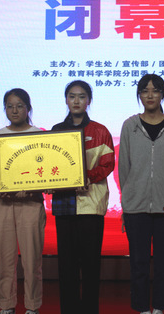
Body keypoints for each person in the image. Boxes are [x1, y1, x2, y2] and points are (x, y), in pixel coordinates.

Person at [118, 74, 164, 314]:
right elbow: (123, 168)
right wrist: (129, 197)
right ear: (139, 95)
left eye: (155, 90)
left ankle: (160, 306)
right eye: (145, 91)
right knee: (138, 262)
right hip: (135, 205)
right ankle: (141, 307)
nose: (150, 95)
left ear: (162, 95)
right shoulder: (130, 125)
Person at [51, 80, 115, 314]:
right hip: (64, 204)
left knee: (90, 264)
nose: (76, 101)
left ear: (89, 100)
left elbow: (108, 164)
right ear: (66, 100)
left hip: (91, 204)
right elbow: (49, 165)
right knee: (66, 265)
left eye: (81, 96)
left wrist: (86, 178)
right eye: (71, 96)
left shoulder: (100, 131)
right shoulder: (57, 130)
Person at [0, 88, 46, 314]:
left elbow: (46, 169)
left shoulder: (39, 134)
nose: (15, 110)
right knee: (4, 258)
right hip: (2, 203)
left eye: (20, 106)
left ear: (28, 108)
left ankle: (32, 306)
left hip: (31, 202)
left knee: (32, 259)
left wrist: (32, 188)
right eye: (10, 106)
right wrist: (1, 188)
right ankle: (6, 305)